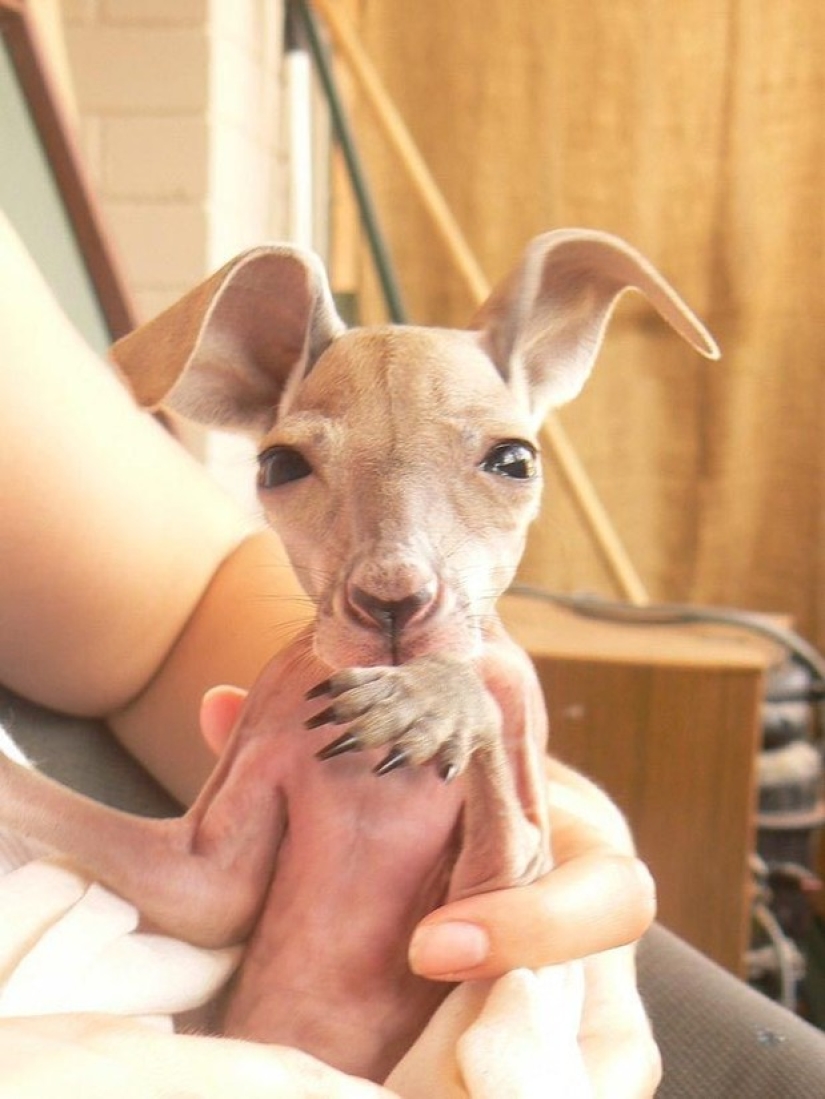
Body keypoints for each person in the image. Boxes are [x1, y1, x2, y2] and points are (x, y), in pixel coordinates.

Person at [0, 210, 660, 1095]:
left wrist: (539, 804)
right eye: (291, 468)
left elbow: (179, 608)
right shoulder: (301, 668)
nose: (391, 569)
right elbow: (206, 890)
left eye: (504, 463)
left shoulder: (405, 673)